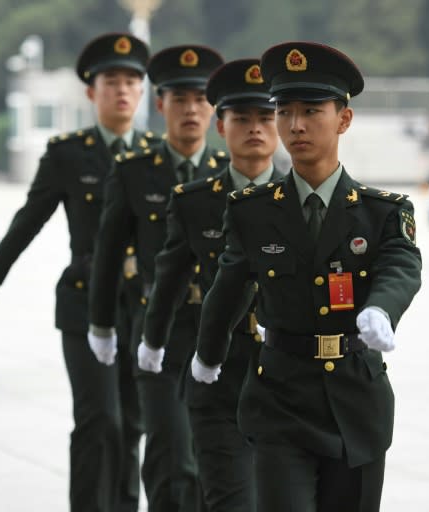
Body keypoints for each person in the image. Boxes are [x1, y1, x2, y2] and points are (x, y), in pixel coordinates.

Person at [191, 41, 422, 512]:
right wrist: (207, 355)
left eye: (312, 111)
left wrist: (381, 307)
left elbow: (401, 264)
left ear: (343, 119)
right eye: (286, 111)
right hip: (280, 401)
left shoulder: (382, 212)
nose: (296, 125)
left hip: (355, 404)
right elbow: (229, 286)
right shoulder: (253, 211)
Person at [0, 33, 158, 512]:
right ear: (91, 92)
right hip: (84, 298)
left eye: (131, 82)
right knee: (100, 422)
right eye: (110, 81)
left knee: (133, 423)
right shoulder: (68, 154)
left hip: (143, 304)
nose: (121, 91)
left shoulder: (159, 155)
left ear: (142, 92)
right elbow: (30, 217)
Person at [138, 58, 283, 511]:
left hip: (286, 379)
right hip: (218, 373)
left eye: (265, 118)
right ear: (221, 126)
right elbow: (169, 277)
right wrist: (153, 344)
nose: (255, 129)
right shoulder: (197, 202)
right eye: (242, 119)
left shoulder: (305, 201)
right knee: (230, 499)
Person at [87, 44, 225, 512]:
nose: (191, 110)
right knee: (170, 456)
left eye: (201, 100)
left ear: (214, 109)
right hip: (157, 333)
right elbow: (106, 256)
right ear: (161, 104)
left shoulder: (229, 178)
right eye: (179, 100)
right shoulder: (133, 173)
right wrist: (102, 325)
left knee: (213, 460)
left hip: (217, 331)